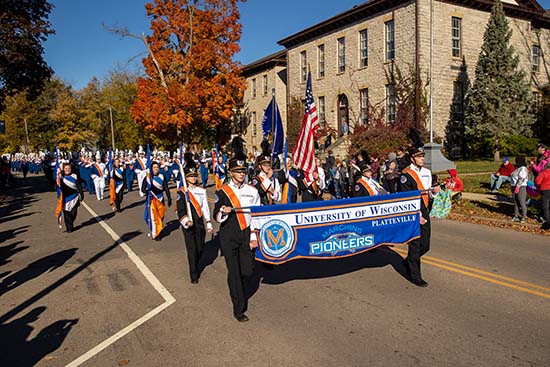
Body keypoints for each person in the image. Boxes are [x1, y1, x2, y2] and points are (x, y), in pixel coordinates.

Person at [214, 149, 260, 322]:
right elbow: (216, 217)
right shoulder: (223, 192)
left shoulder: (252, 191)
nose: (241, 174)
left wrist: (254, 236)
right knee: (234, 272)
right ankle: (238, 308)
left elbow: (256, 216)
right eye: (237, 171)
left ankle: (239, 289)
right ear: (231, 173)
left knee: (247, 271)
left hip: (247, 233)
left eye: (243, 171)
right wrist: (223, 211)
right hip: (229, 234)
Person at [397, 146, 439, 287]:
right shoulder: (406, 175)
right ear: (412, 159)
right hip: (413, 212)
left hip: (425, 209)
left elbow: (428, 194)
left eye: (423, 156)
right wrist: (416, 215)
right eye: (419, 156)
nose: (422, 159)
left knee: (425, 245)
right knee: (415, 245)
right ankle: (415, 276)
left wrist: (435, 192)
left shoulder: (427, 172)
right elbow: (406, 199)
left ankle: (409, 261)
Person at [177, 155, 213, 283]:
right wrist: (186, 220)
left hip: (199, 223)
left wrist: (208, 222)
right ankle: (193, 274)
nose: (193, 178)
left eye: (194, 175)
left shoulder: (201, 191)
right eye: (190, 176)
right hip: (188, 224)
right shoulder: (182, 192)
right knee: (191, 249)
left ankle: (195, 264)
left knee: (200, 248)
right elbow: (180, 210)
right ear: (186, 178)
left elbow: (205, 207)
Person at [142, 161, 172, 240]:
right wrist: (147, 192)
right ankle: (156, 233)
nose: (156, 169)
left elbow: (166, 188)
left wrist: (169, 198)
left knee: (161, 216)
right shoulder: (148, 178)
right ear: (151, 169)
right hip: (152, 199)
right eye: (154, 168)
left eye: (157, 167)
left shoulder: (162, 176)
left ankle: (158, 229)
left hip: (160, 199)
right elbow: (142, 189)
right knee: (154, 217)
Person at [56, 163, 84, 233]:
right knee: (66, 214)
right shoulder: (61, 176)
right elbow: (57, 186)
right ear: (63, 169)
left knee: (73, 213)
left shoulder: (74, 176)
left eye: (69, 168)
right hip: (65, 198)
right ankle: (69, 228)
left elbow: (79, 185)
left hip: (74, 197)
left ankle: (70, 223)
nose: (67, 170)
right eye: (66, 168)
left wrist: (81, 193)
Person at [510, 156, 528, 223]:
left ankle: (524, 217)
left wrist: (518, 186)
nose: (515, 161)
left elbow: (522, 178)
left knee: (521, 202)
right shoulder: (517, 168)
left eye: (516, 160)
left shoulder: (523, 168)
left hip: (521, 187)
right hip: (514, 186)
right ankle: (516, 216)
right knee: (515, 202)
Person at [535, 162, 550, 230]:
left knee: (545, 205)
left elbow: (537, 181)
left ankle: (547, 220)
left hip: (545, 190)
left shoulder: (543, 173)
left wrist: (538, 187)